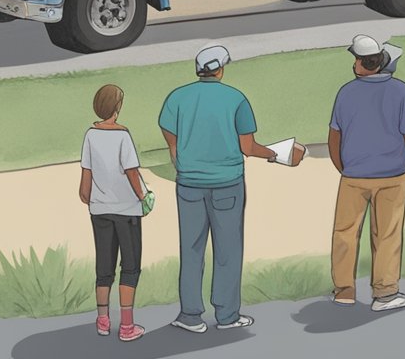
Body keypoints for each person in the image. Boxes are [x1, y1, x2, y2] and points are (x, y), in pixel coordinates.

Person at [161, 44, 296, 333]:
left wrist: (178, 156)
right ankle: (226, 315)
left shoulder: (177, 97)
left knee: (192, 249)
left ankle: (190, 315)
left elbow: (169, 132)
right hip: (227, 184)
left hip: (188, 183)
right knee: (228, 250)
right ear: (220, 69)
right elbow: (247, 147)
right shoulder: (236, 98)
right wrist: (277, 154)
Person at [328, 36, 405, 311]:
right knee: (387, 234)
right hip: (393, 175)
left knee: (345, 232)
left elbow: (334, 137)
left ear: (361, 63)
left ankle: (344, 291)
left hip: (354, 175)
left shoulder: (345, 92)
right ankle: (384, 293)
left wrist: (343, 167)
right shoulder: (401, 91)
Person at [80, 84, 148, 342]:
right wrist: (143, 195)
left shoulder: (90, 135)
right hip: (126, 208)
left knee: (104, 267)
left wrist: (88, 196)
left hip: (100, 209)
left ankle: (102, 320)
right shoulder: (123, 135)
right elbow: (131, 171)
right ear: (117, 109)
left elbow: (86, 173)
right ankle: (127, 326)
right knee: (130, 267)